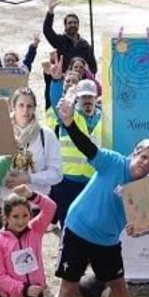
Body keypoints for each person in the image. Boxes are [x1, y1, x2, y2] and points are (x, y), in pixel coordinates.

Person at [52, 88, 149, 297]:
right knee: (68, 287)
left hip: (107, 240)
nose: (146, 163)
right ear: (135, 153)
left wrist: (139, 229)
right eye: (143, 156)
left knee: (118, 284)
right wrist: (68, 123)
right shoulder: (114, 161)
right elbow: (87, 147)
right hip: (79, 229)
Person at [48, 79, 102, 226]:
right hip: (67, 182)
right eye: (83, 97)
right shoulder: (68, 116)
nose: (87, 100)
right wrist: (56, 81)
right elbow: (54, 101)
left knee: (89, 224)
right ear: (77, 98)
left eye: (90, 96)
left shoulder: (106, 118)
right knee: (68, 224)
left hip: (92, 181)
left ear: (96, 97)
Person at [5, 87, 63, 201]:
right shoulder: (1, 132)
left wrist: (29, 178)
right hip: (5, 206)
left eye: (29, 106)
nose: (25, 110)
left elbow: (57, 174)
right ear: (13, 106)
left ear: (34, 108)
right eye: (21, 105)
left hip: (36, 205)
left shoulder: (46, 135)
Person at [41, 0, 97, 74]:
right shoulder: (60, 41)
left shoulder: (85, 45)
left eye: (75, 23)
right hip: (65, 81)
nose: (73, 25)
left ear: (78, 25)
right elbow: (47, 30)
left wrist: (85, 75)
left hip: (81, 82)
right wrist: (50, 11)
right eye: (70, 23)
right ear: (65, 25)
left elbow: (93, 68)